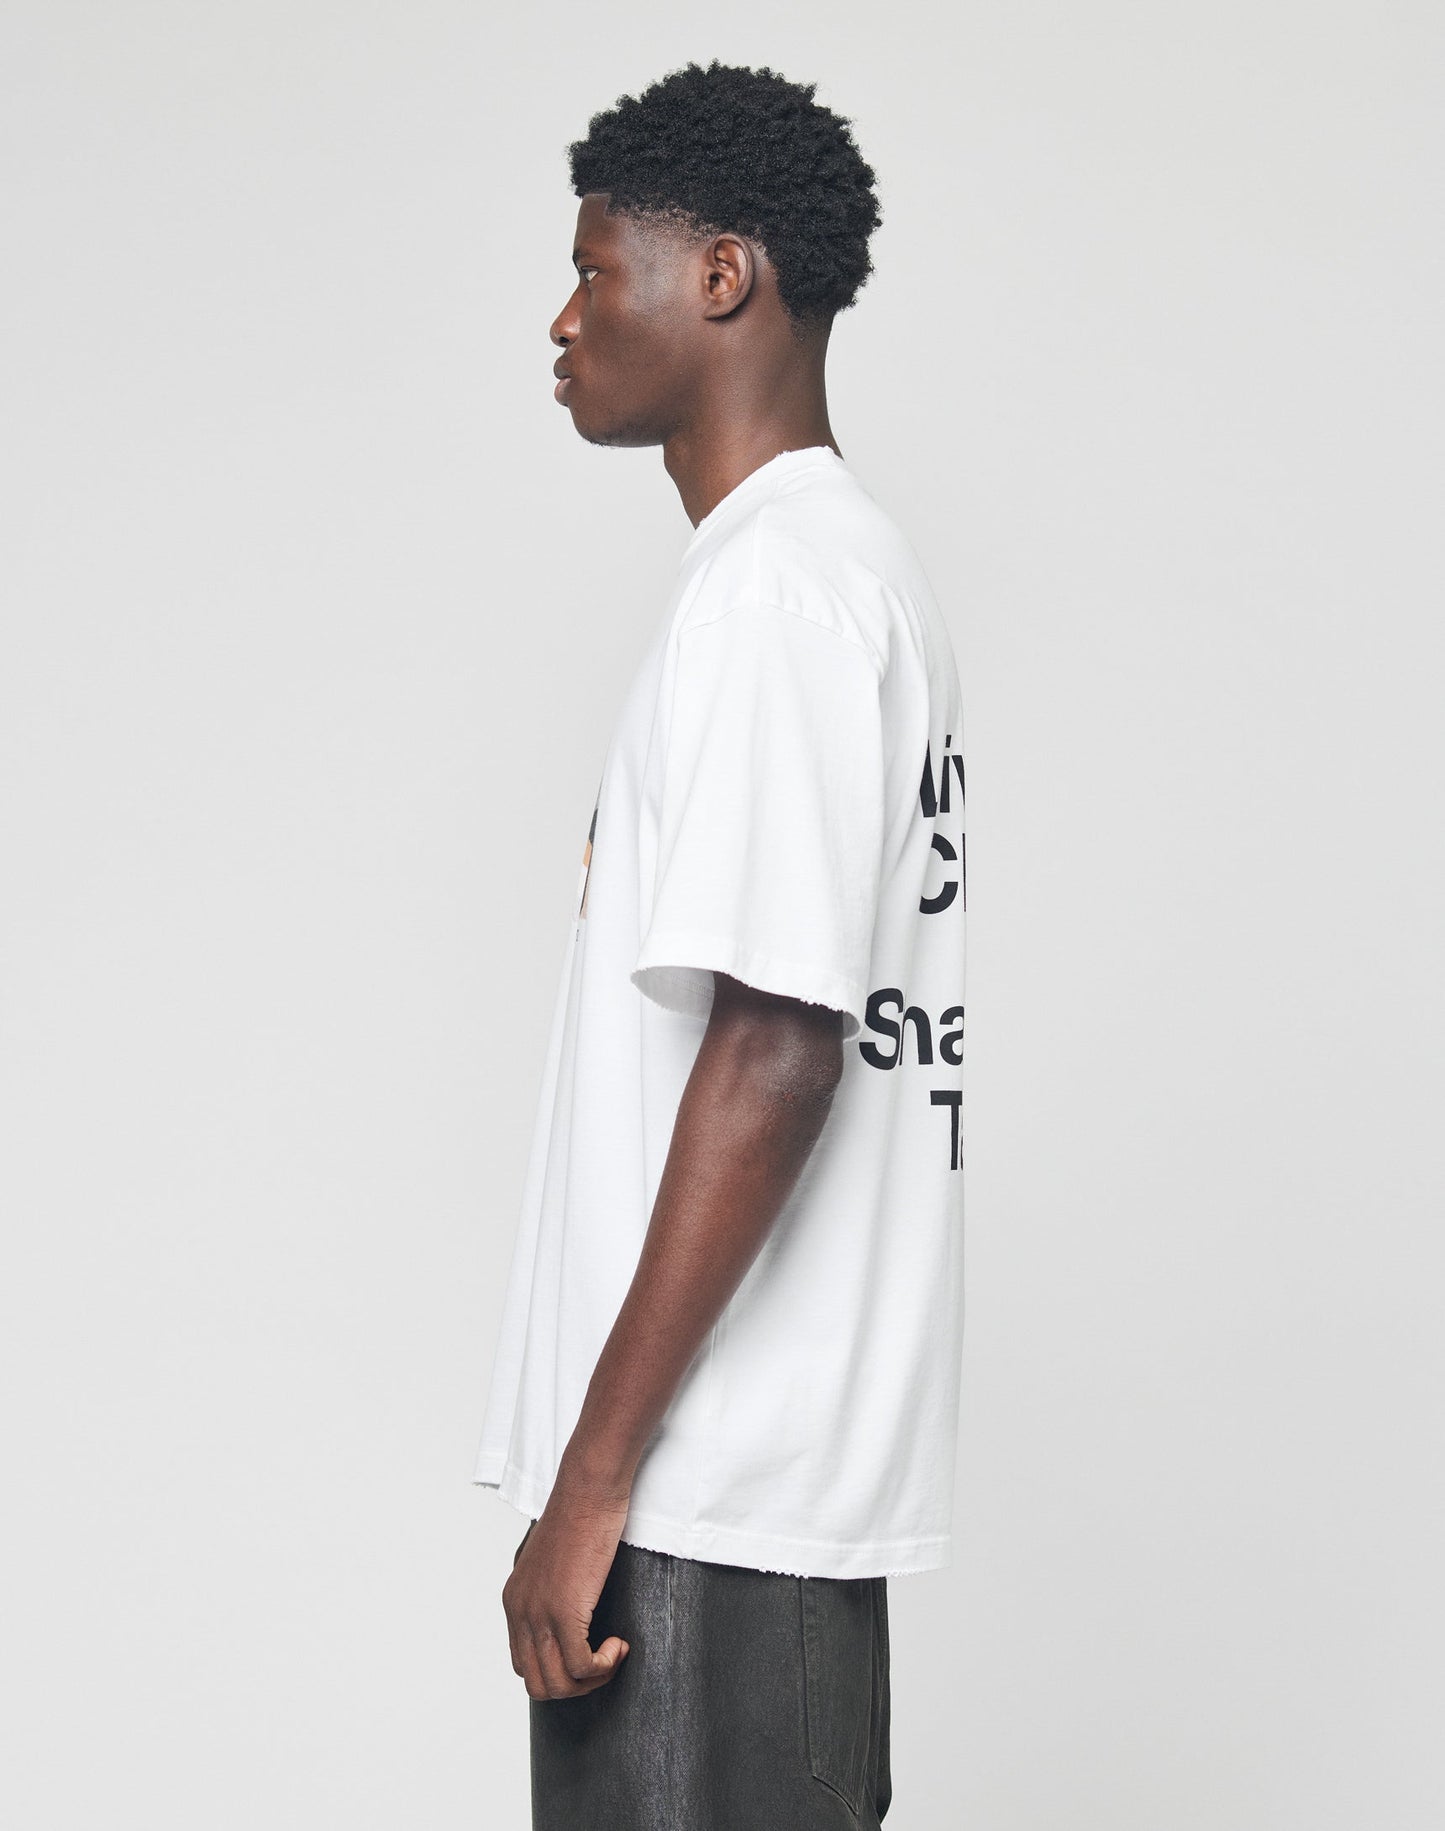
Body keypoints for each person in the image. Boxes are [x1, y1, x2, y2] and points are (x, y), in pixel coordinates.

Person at [471, 58, 967, 1830]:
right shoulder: (828, 578)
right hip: (742, 1517)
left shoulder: (780, 591)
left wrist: (592, 1482)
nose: (564, 318)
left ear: (720, 275)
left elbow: (776, 1047)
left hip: (702, 1518)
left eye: (592, 271)